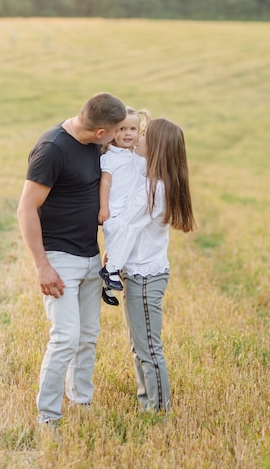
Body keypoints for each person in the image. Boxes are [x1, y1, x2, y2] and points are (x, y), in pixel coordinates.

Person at [17, 92, 127, 425]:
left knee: (87, 336)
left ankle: (81, 403)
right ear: (100, 132)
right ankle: (48, 417)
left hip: (90, 256)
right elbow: (26, 209)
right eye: (116, 131)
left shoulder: (96, 145)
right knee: (65, 337)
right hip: (59, 258)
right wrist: (42, 266)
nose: (118, 136)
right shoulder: (52, 149)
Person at [103, 118, 196, 413]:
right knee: (139, 346)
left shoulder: (153, 189)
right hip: (139, 272)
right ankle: (148, 403)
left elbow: (126, 228)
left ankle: (158, 411)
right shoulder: (151, 183)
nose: (136, 137)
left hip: (145, 276)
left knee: (148, 349)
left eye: (142, 134)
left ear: (154, 146)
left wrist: (110, 266)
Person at [98, 107, 150, 305]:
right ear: (112, 133)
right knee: (117, 243)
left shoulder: (136, 157)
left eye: (133, 129)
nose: (127, 133)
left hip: (130, 210)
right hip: (115, 209)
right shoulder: (110, 157)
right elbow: (105, 183)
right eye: (122, 129)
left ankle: (107, 282)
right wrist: (104, 207)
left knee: (119, 246)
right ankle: (109, 272)